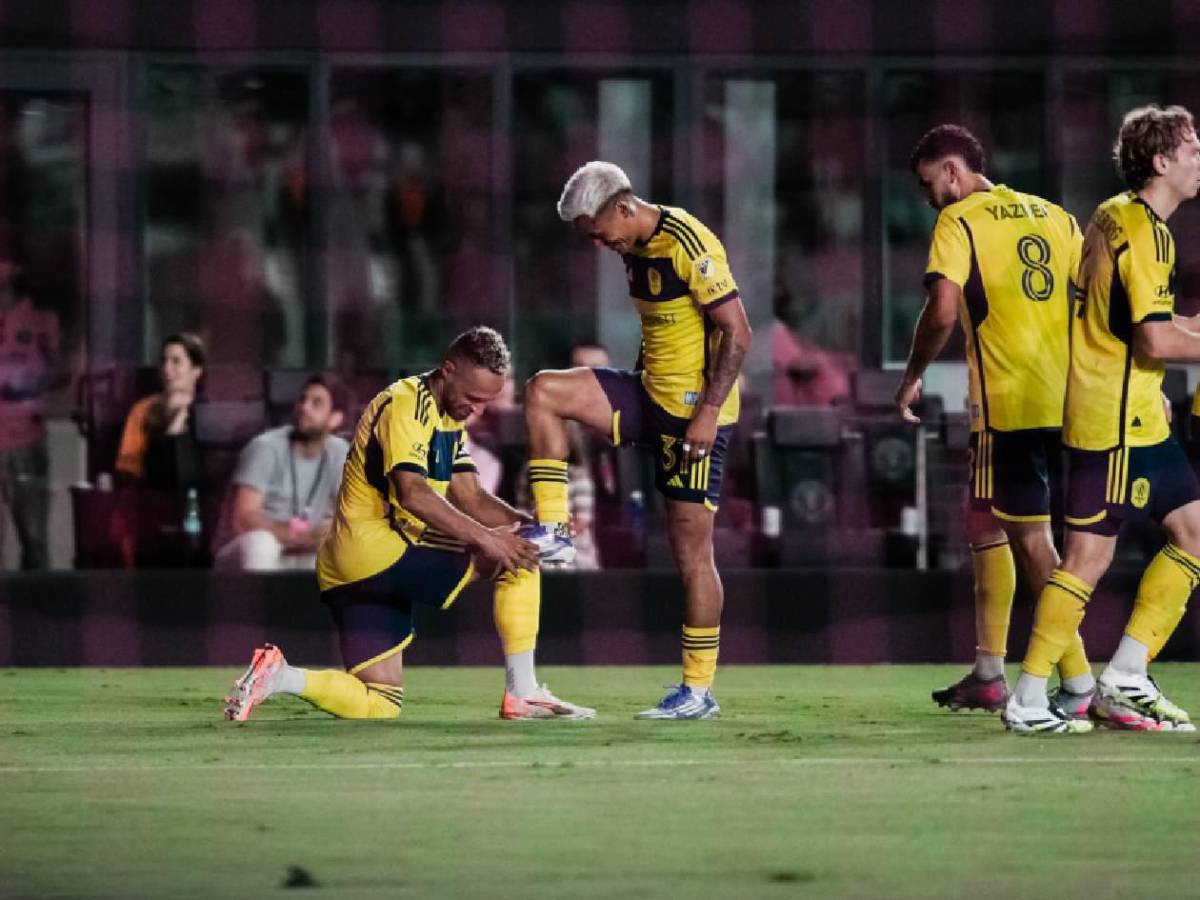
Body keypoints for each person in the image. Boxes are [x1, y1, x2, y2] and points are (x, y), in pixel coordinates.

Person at [224, 326, 594, 722]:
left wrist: (531, 524)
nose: (477, 410)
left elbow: (471, 496)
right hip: (378, 549)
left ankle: (279, 675)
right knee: (517, 556)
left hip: (349, 568)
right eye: (472, 398)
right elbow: (413, 493)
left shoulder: (448, 417)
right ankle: (523, 692)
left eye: (486, 402)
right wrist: (494, 540)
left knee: (380, 701)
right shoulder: (406, 404)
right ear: (448, 370)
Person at [523, 161, 752, 719]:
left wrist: (708, 414)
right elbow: (665, 327)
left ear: (624, 207)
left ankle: (697, 691)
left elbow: (738, 332)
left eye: (601, 233)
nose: (600, 244)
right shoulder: (631, 246)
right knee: (543, 391)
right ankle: (555, 530)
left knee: (691, 553)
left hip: (693, 415)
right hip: (648, 394)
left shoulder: (688, 242)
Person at [1005, 105, 1200, 734]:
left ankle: (1127, 676)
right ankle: (1028, 698)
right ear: (1162, 162)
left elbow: (1127, 321)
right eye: (1192, 151)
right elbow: (1153, 341)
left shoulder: (1113, 213)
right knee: (1086, 559)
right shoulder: (1150, 236)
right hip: (1113, 424)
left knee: (1195, 531)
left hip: (1135, 414)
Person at [895, 124, 1095, 721]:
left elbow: (942, 310)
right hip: (1073, 402)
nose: (928, 198)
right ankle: (988, 671)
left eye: (929, 184)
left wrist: (912, 373)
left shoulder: (959, 220)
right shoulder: (1056, 216)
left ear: (952, 171)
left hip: (1007, 405)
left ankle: (1079, 679)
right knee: (988, 519)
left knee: (1030, 542)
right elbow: (1094, 304)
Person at [214, 374, 350, 571]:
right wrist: (299, 536)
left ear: (335, 418)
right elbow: (244, 520)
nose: (304, 407)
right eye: (303, 399)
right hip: (246, 551)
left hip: (302, 553)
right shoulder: (265, 447)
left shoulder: (340, 452)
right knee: (261, 543)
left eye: (316, 403)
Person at [0, 231, 60, 569]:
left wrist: (31, 380)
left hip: (26, 440)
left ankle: (38, 601)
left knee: (34, 541)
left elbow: (59, 375)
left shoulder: (40, 321)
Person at [116, 332, 205, 493]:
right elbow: (129, 468)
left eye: (176, 361)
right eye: (164, 361)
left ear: (196, 370)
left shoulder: (207, 411)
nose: (166, 369)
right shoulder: (143, 409)